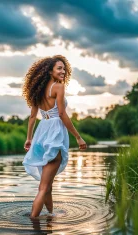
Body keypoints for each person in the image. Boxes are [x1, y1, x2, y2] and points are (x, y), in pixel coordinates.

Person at [22, 55, 87, 218]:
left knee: (47, 187)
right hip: (54, 134)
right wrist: (78, 137)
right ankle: (33, 222)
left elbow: (32, 117)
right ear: (50, 71)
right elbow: (62, 113)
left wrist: (29, 138)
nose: (63, 71)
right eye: (59, 68)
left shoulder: (38, 89)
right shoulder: (58, 87)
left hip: (41, 134)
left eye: (64, 69)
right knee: (43, 188)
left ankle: (50, 215)